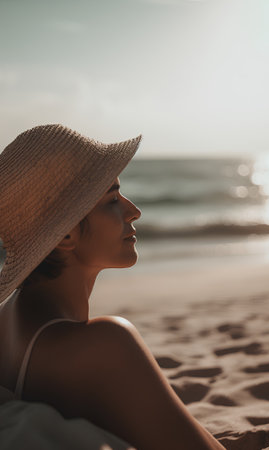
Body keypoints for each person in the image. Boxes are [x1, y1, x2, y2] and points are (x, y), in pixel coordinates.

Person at [0, 124, 225, 450]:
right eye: (111, 199)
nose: (134, 211)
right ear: (65, 235)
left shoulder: (5, 319)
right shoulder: (106, 344)